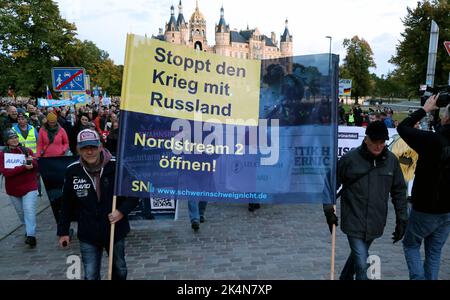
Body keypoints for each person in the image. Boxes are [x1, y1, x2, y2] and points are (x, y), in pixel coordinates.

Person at [323, 120, 408, 280]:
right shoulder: (350, 159)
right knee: (362, 264)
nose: (378, 146)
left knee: (358, 256)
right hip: (353, 220)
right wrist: (329, 210)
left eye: (382, 142)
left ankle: (345, 277)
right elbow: (330, 184)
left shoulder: (391, 161)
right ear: (366, 139)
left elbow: (399, 191)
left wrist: (402, 220)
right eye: (374, 142)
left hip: (376, 222)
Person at [57, 129, 138, 280]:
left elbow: (135, 194)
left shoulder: (117, 166)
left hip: (114, 229)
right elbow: (66, 203)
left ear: (100, 146)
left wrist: (121, 211)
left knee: (120, 270)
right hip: (88, 231)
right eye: (84, 148)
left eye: (93, 147)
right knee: (90, 274)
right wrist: (63, 231)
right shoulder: (73, 171)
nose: (89, 152)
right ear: (78, 150)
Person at [397, 94, 450, 280]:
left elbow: (403, 128)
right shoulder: (434, 138)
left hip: (425, 207)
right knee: (434, 253)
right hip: (446, 211)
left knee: (411, 245)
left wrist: (425, 109)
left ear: (446, 118)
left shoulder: (431, 141)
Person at [0, 129, 39, 247]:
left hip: (29, 186)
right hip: (13, 189)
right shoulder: (2, 155)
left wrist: (32, 162)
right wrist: (23, 167)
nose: (14, 140)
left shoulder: (26, 150)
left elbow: (36, 166)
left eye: (16, 137)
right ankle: (28, 229)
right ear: (7, 141)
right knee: (21, 213)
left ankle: (31, 236)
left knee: (29, 210)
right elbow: (6, 172)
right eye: (11, 138)